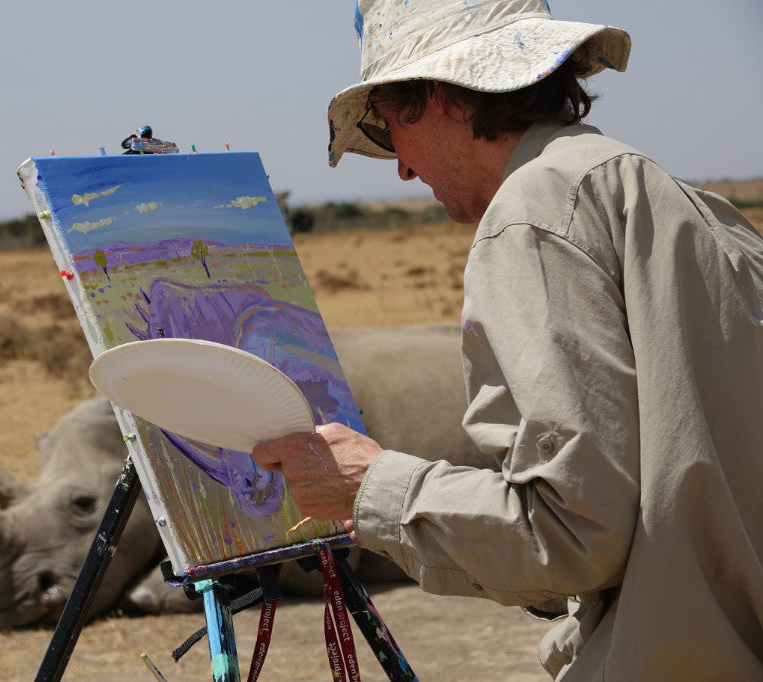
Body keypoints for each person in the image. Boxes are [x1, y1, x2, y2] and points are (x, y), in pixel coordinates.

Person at [251, 1, 763, 679]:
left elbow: (572, 537)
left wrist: (369, 485)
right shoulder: (677, 198)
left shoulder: (533, 214)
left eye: (385, 124)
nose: (401, 169)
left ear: (436, 95)